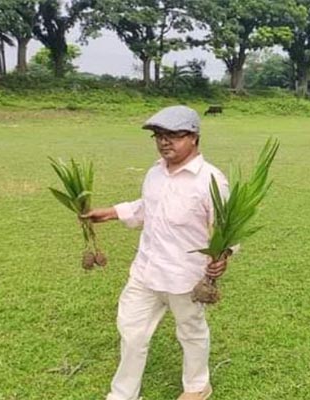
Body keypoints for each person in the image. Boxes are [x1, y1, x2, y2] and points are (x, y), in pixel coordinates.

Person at [83, 105, 229, 400]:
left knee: (190, 331)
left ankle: (197, 387)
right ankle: (123, 394)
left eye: (174, 135)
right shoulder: (155, 173)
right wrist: (110, 213)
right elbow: (145, 208)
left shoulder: (212, 181)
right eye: (159, 135)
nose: (164, 142)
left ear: (194, 137)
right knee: (131, 330)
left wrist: (223, 257)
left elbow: (227, 227)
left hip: (185, 276)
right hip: (146, 271)